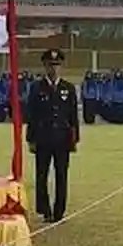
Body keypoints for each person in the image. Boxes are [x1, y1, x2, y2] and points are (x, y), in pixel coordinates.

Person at [25, 48, 79, 223]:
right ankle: (45, 210)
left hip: (62, 138)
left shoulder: (68, 88)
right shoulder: (36, 88)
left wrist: (74, 139)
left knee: (61, 176)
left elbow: (73, 116)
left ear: (61, 66)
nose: (53, 69)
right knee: (41, 175)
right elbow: (31, 115)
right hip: (43, 137)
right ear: (45, 66)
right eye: (50, 65)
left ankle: (59, 211)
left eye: (56, 65)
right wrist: (31, 139)